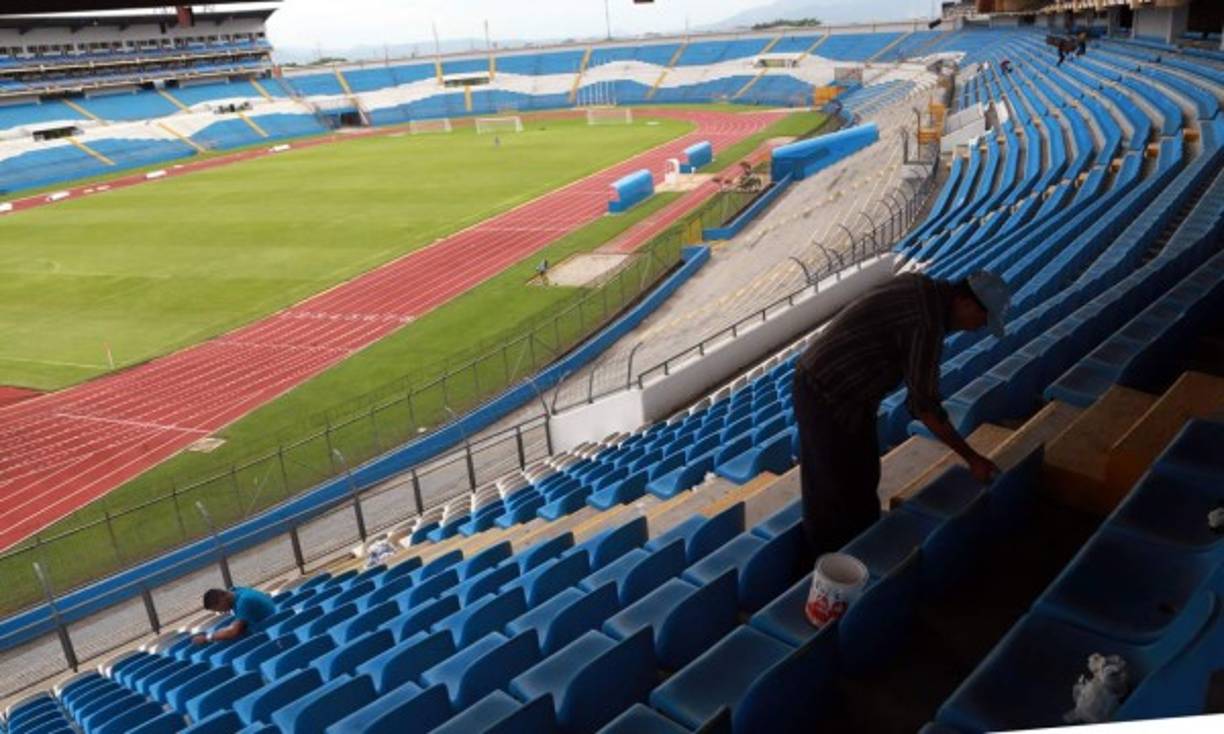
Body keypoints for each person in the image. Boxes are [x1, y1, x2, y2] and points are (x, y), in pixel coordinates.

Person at [791, 271, 1010, 562]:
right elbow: (924, 407)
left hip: (856, 396)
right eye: (983, 320)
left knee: (863, 477)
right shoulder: (927, 323)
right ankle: (826, 569)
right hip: (823, 390)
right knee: (830, 493)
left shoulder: (924, 290)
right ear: (966, 303)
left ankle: (864, 551)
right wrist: (972, 459)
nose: (979, 328)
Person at [191, 586, 277, 644]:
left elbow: (232, 632)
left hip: (270, 632)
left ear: (222, 599)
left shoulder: (243, 601)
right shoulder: (238, 591)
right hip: (269, 624)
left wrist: (207, 638)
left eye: (218, 609)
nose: (221, 612)